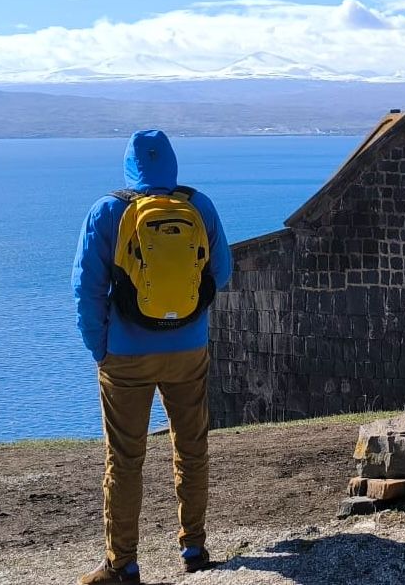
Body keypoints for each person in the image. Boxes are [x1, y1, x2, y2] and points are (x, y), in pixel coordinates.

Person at [72, 130, 232, 585]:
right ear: (172, 164)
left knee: (124, 459)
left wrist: (99, 348)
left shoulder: (108, 210)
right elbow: (220, 272)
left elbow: (86, 290)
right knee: (192, 447)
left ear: (130, 165)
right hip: (188, 350)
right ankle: (194, 547)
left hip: (125, 357)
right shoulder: (198, 206)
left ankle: (122, 564)